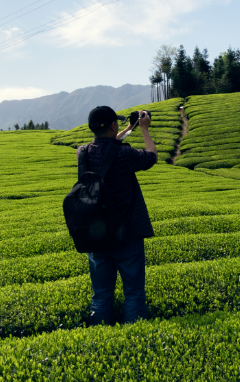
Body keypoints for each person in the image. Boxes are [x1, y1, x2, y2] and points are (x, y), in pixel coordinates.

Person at [79, 106, 158, 326]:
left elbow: (106, 145)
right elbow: (151, 156)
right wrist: (143, 129)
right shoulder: (125, 154)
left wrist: (127, 128)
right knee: (133, 292)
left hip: (97, 235)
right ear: (113, 125)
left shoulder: (82, 152)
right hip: (127, 233)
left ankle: (98, 339)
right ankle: (133, 338)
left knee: (101, 293)